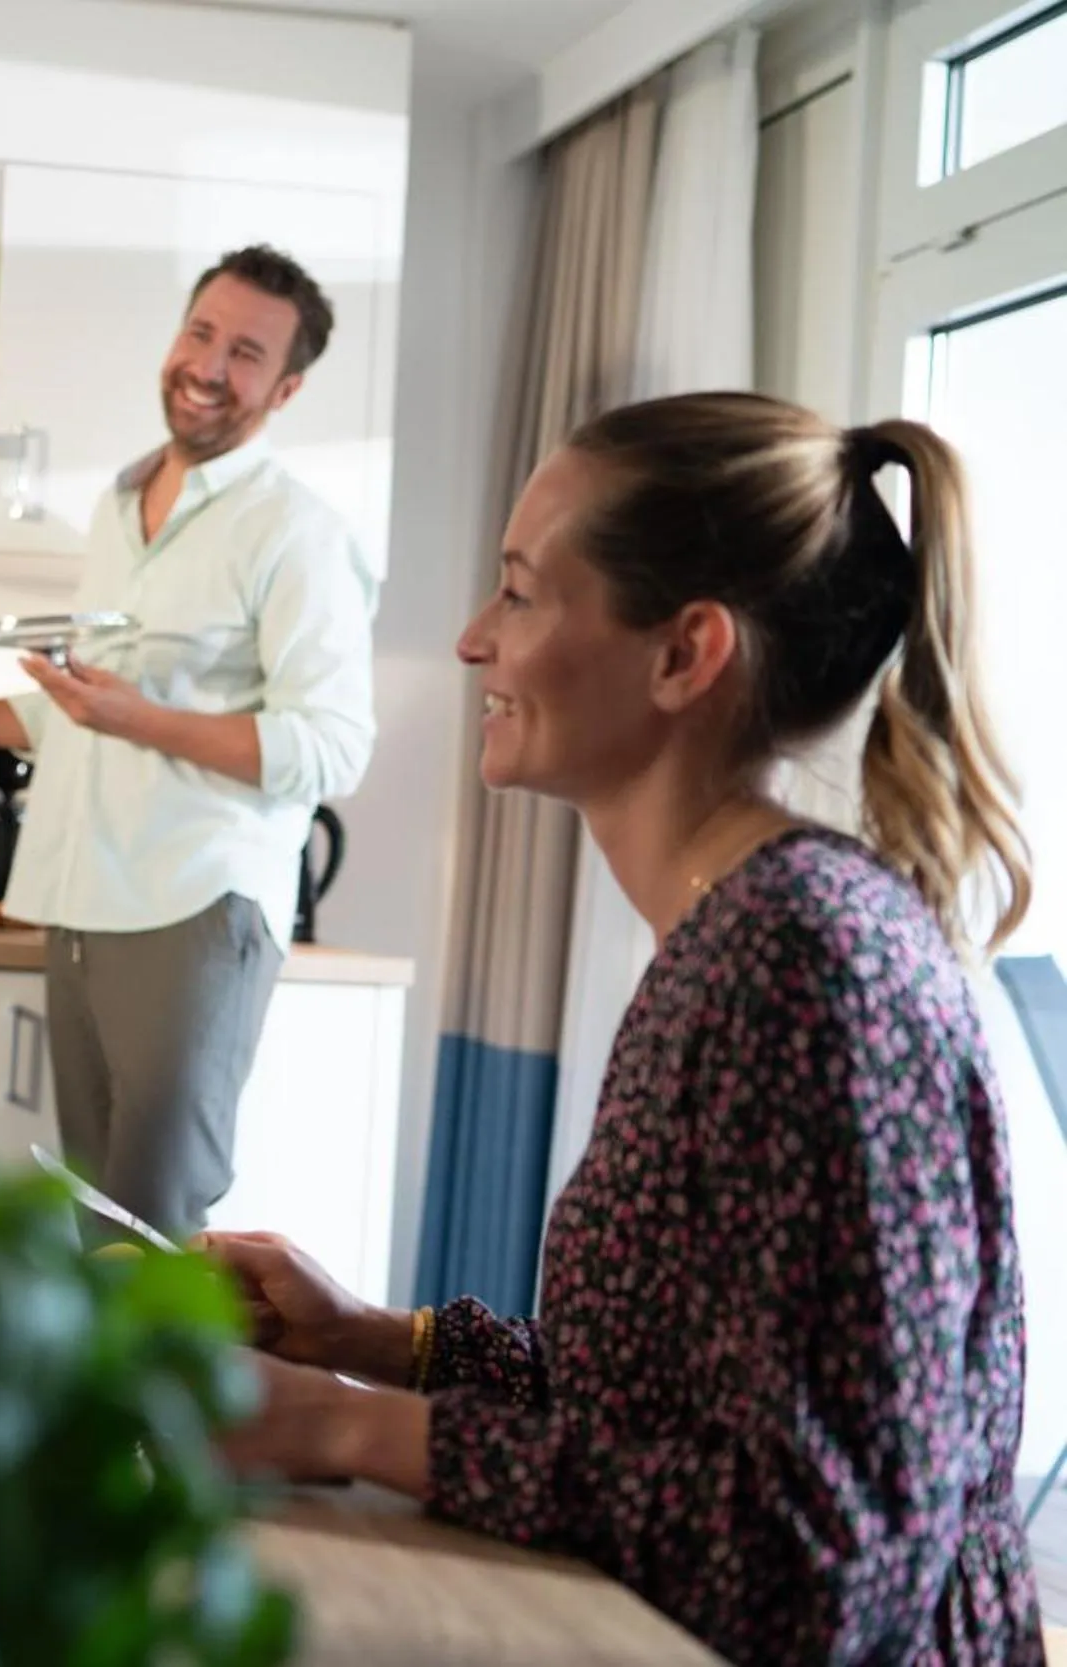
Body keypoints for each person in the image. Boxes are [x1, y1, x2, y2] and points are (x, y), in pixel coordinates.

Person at [206, 393, 1044, 1664]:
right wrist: (376, 1341)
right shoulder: (732, 933)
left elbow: (822, 1557)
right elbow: (664, 1403)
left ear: (683, 655)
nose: (473, 639)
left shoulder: (802, 961)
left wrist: (341, 1424)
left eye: (519, 593)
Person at [0, 244, 377, 1240]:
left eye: (247, 353)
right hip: (83, 900)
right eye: (200, 333)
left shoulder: (296, 530)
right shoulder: (119, 505)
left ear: (286, 388)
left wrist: (138, 717)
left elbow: (332, 747)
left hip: (193, 904)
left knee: (155, 1222)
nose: (209, 366)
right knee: (98, 1224)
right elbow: (82, 712)